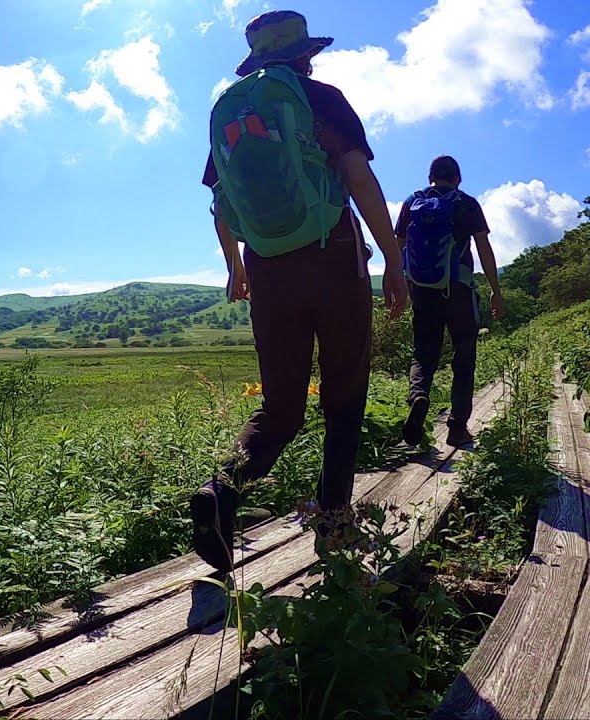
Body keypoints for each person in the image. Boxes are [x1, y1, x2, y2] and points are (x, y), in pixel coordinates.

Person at [190, 9, 410, 573]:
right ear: (304, 55)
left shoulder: (233, 111)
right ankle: (334, 521)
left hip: (267, 268)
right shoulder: (321, 98)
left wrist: (236, 266)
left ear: (258, 59)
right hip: (332, 257)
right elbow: (358, 178)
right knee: (344, 394)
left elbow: (221, 206)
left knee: (281, 408)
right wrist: (392, 257)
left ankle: (222, 493)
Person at [397, 156, 503, 448]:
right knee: (464, 356)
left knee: (424, 352)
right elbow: (484, 248)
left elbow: (398, 247)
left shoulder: (412, 203)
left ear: (430, 177)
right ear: (458, 178)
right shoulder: (467, 204)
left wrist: (400, 287)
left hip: (422, 290)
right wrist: (495, 290)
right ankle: (457, 428)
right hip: (458, 290)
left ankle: (418, 396)